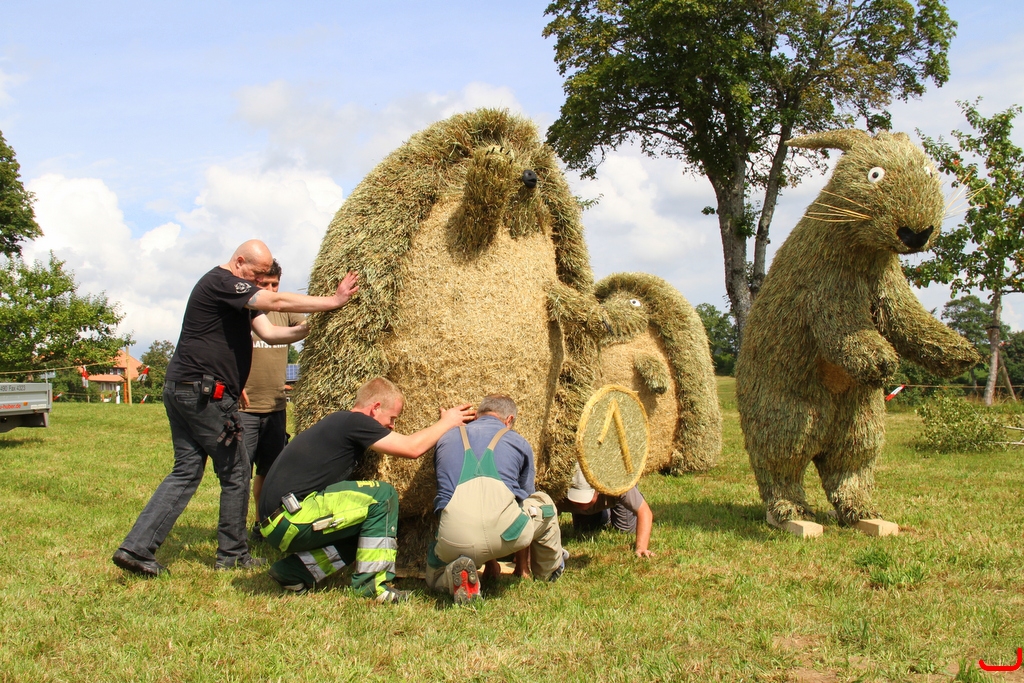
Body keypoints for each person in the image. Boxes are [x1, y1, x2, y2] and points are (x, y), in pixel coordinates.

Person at [112, 240, 359, 577]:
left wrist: (317, 327)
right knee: (237, 471)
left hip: (184, 390)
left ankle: (136, 548)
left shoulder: (238, 298)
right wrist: (333, 300)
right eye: (257, 274)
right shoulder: (222, 282)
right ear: (239, 262)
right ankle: (232, 554)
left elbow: (271, 334)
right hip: (204, 394)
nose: (260, 281)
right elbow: (274, 301)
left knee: (186, 471)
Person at [257, 377, 474, 603]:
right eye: (392, 418)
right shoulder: (355, 421)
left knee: (365, 534)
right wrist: (448, 422)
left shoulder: (340, 423)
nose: (392, 425)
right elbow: (411, 448)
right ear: (375, 407)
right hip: (291, 518)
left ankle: (292, 572)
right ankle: (373, 587)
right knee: (383, 496)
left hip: (278, 524)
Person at [425, 394, 567, 604]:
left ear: (477, 415)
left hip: (454, 537)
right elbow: (521, 502)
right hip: (505, 536)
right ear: (509, 419)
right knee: (543, 503)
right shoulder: (518, 442)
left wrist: (491, 563)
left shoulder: (445, 438)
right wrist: (521, 566)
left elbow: (452, 496)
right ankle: (549, 572)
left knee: (434, 575)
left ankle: (453, 577)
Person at [239, 259, 306, 540]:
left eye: (274, 285)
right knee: (239, 475)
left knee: (270, 472)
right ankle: (234, 532)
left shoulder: (284, 311)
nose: (269, 289)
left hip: (276, 406)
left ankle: (261, 524)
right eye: (263, 284)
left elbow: (307, 325)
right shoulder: (241, 309)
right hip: (243, 408)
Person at [559, 464, 655, 559]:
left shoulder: (616, 481)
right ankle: (605, 514)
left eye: (586, 498)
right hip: (602, 501)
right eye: (577, 498)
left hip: (616, 495)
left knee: (625, 530)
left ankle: (632, 496)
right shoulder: (560, 494)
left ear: (597, 490)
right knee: (585, 529)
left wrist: (641, 548)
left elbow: (644, 511)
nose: (582, 503)